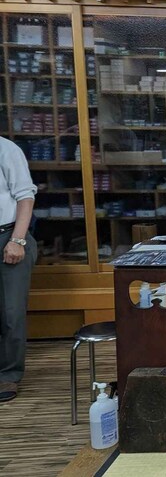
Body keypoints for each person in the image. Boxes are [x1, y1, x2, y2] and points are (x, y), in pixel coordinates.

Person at [0, 136, 38, 402]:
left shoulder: (6, 149)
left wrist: (17, 240)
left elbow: (25, 196)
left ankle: (8, 376)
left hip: (8, 236)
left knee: (11, 312)